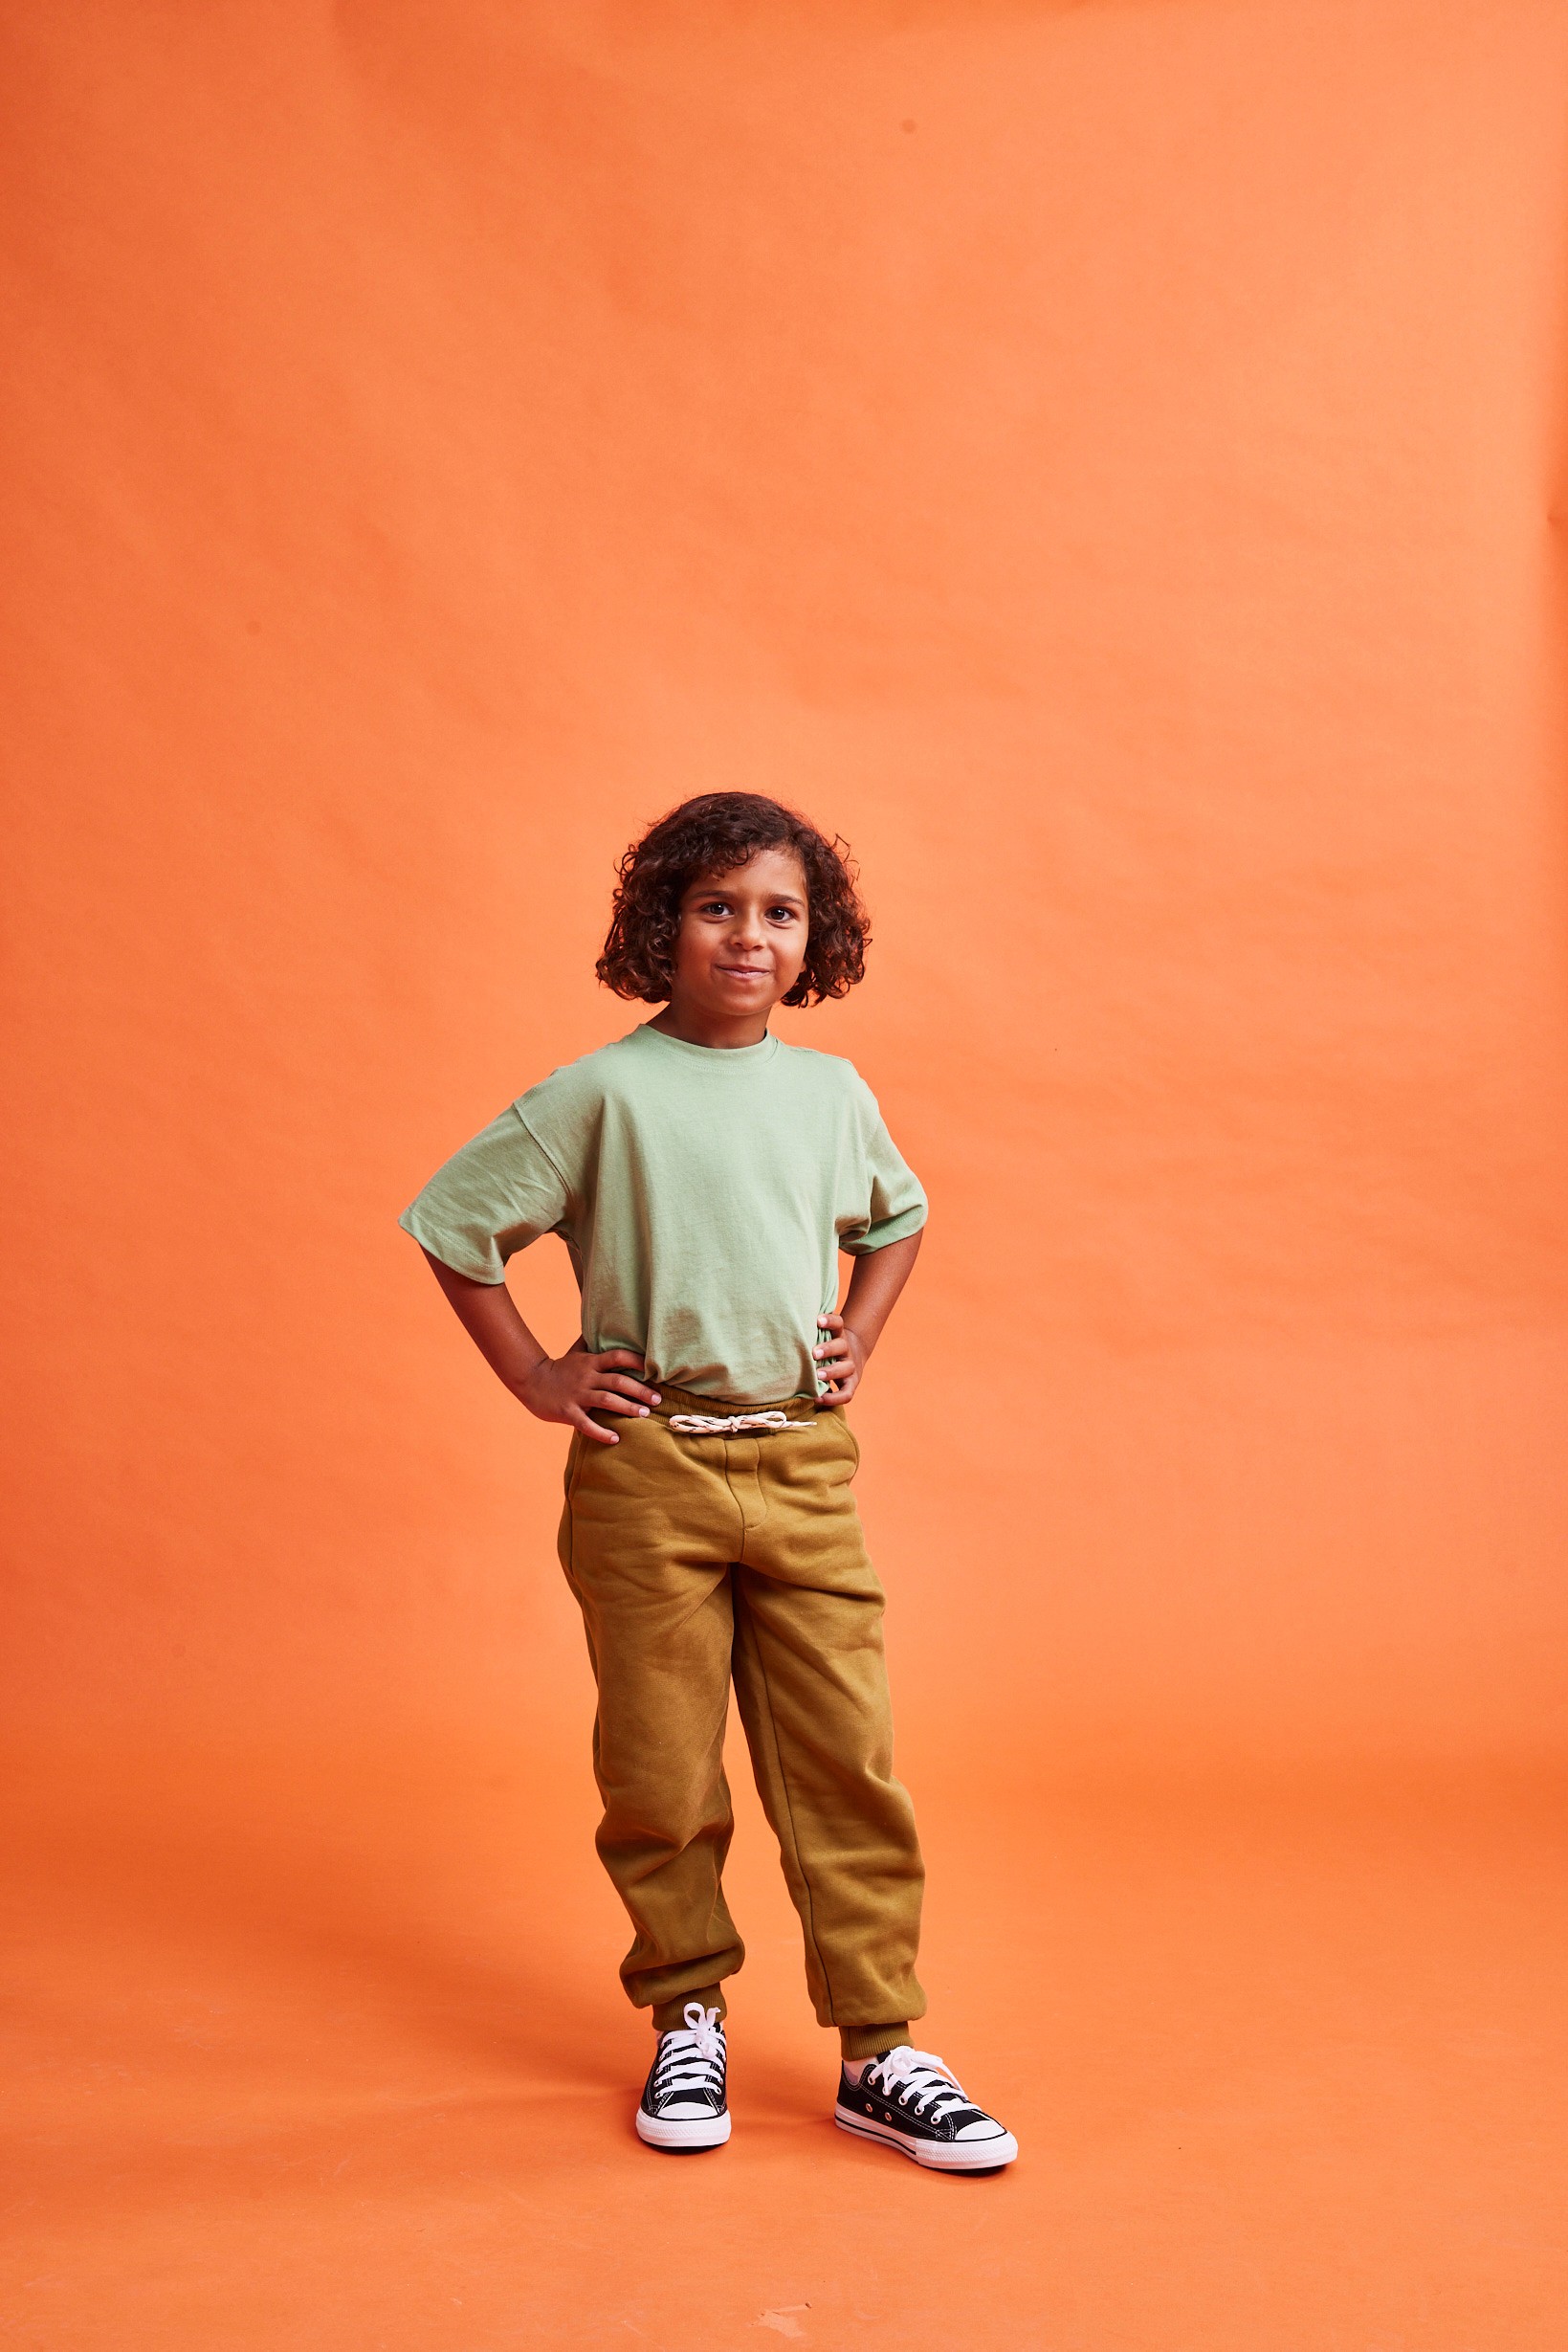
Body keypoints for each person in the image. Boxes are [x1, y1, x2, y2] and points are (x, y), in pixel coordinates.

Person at [399, 791, 1017, 2173]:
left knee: (847, 1760)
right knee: (662, 1767)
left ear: (815, 938)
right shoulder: (599, 1093)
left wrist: (859, 1337)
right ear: (660, 927)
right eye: (716, 906)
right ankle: (687, 2011)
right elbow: (453, 1226)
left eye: (780, 912)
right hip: (648, 1475)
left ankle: (879, 2048)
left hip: (801, 1464)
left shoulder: (831, 1092)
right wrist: (537, 1374)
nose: (749, 934)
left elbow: (899, 1216)